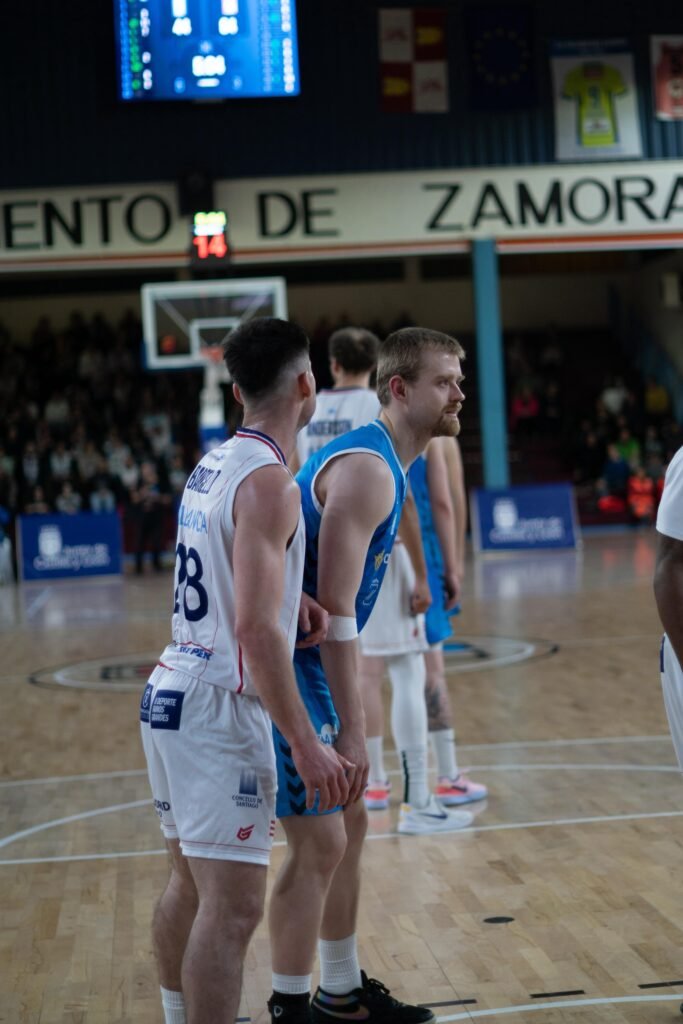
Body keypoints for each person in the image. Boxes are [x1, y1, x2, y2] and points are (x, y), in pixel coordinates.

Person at [139, 318, 350, 1024]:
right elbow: (254, 632)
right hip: (217, 708)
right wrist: (305, 743)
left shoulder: (213, 464)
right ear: (306, 384)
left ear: (236, 392)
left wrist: (292, 599)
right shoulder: (271, 485)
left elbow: (229, 578)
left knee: (189, 888)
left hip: (170, 690)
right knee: (231, 911)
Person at [268, 327, 470, 1024]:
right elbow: (334, 615)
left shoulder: (387, 463)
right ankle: (293, 1004)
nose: (459, 393)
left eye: (459, 379)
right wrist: (353, 731)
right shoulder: (368, 470)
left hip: (306, 654)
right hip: (285, 663)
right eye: (444, 381)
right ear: (399, 389)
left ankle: (340, 989)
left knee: (349, 825)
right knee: (321, 840)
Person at [293, 326, 380, 470]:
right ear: (373, 365)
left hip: (309, 484)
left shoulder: (304, 406)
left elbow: (293, 469)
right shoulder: (383, 406)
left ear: (335, 365)